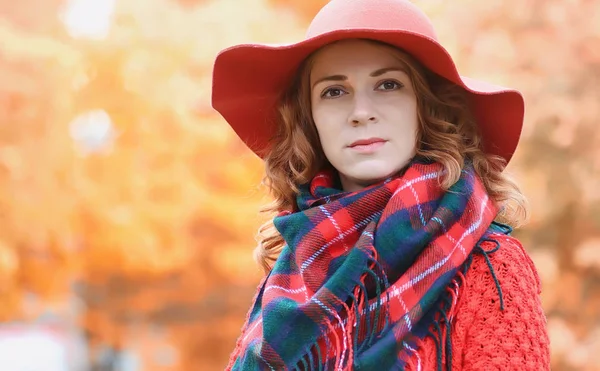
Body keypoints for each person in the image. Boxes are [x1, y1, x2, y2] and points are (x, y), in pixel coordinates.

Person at [211, 0, 551, 369]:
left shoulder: (492, 268)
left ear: (427, 108)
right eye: (334, 91)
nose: (361, 112)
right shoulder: (288, 282)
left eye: (388, 85)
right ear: (310, 119)